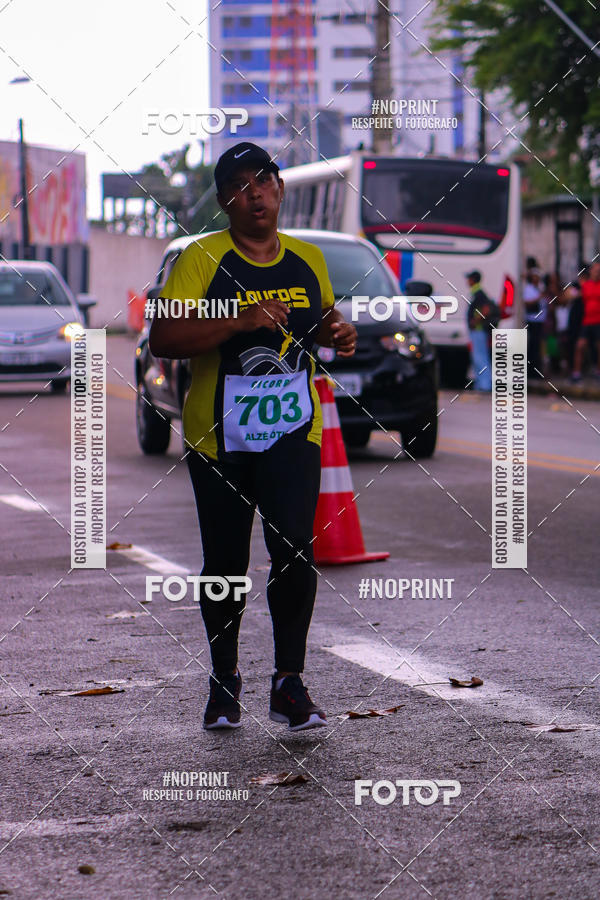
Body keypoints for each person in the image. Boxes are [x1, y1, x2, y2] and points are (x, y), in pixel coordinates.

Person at [149, 142, 357, 732]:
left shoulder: (308, 259)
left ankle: (288, 684)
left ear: (281, 191)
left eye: (265, 181)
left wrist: (340, 333)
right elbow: (164, 338)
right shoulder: (200, 259)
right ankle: (223, 683)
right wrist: (240, 319)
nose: (256, 193)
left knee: (294, 545)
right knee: (225, 560)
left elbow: (317, 325)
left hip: (294, 431)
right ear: (224, 202)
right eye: (241, 186)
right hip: (219, 440)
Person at [465, 270, 498, 391]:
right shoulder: (476, 292)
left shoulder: (479, 293)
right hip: (477, 331)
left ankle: (485, 384)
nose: (467, 281)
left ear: (473, 280)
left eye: (469, 278)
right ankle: (481, 384)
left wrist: (475, 321)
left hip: (478, 331)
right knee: (477, 358)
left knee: (480, 357)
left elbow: (486, 309)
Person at [572, 261, 600, 382]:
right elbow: (573, 295)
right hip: (587, 321)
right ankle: (576, 373)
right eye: (595, 270)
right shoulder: (585, 285)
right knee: (580, 346)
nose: (597, 273)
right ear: (591, 271)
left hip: (598, 321)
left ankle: (598, 371)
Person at [523, 268, 545, 379]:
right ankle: (531, 371)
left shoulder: (539, 288)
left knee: (538, 346)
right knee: (533, 346)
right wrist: (538, 298)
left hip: (540, 320)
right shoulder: (528, 289)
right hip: (532, 320)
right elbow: (526, 303)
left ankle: (536, 370)